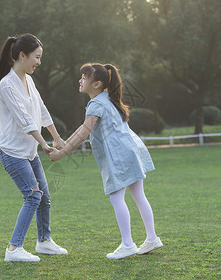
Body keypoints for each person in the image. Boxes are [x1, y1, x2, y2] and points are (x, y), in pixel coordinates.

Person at [50, 63, 163, 259]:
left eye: (84, 78)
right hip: (130, 151)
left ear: (97, 84)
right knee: (138, 196)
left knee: (116, 198)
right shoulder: (105, 100)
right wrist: (64, 144)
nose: (80, 80)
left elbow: (84, 133)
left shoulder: (97, 104)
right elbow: (83, 128)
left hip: (120, 155)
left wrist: (62, 153)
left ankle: (128, 244)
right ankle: (152, 238)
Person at [0, 34, 68, 262]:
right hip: (12, 153)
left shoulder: (29, 80)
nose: (38, 62)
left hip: (28, 152)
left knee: (44, 197)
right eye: (36, 57)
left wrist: (57, 138)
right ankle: (14, 249)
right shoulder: (7, 85)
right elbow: (24, 119)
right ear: (21, 55)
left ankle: (44, 242)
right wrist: (44, 144)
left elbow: (41, 110)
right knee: (33, 196)